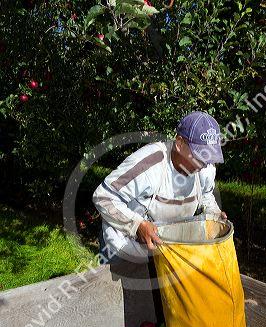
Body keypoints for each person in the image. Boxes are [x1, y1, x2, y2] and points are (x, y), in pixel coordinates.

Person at [93, 111, 227, 265]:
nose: (204, 164)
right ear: (179, 143)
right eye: (199, 155)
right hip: (123, 249)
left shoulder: (206, 168)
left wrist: (214, 213)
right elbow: (104, 196)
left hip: (165, 252)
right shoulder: (150, 163)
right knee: (114, 288)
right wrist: (137, 225)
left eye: (209, 156)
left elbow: (206, 194)